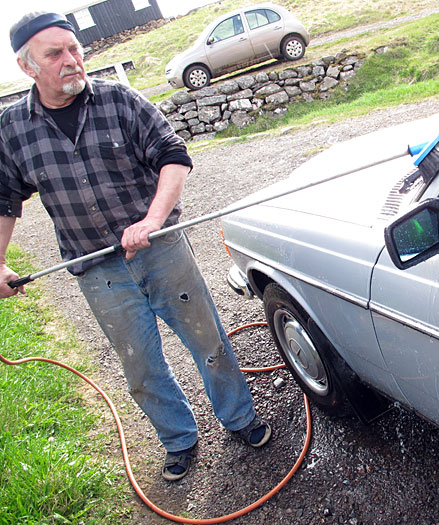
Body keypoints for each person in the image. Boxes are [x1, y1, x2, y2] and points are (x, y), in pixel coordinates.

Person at [0, 12, 271, 482]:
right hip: (97, 270)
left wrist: (151, 220)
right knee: (139, 363)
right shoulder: (11, 130)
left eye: (74, 50)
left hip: (161, 250)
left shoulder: (118, 99)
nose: (71, 61)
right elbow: (5, 200)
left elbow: (173, 157)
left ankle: (240, 418)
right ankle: (179, 440)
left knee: (207, 340)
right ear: (28, 67)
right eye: (55, 54)